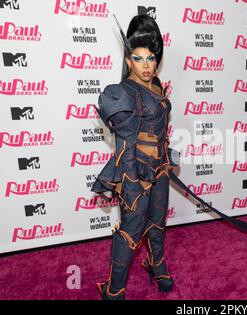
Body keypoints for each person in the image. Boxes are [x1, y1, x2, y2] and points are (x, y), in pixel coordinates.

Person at [91, 14, 174, 300]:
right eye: (138, 59)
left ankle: (157, 265)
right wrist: (132, 184)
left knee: (158, 222)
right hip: (135, 175)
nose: (146, 65)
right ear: (128, 61)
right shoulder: (122, 94)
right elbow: (124, 145)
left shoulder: (158, 86)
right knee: (130, 230)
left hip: (160, 170)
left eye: (151, 58)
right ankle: (115, 290)